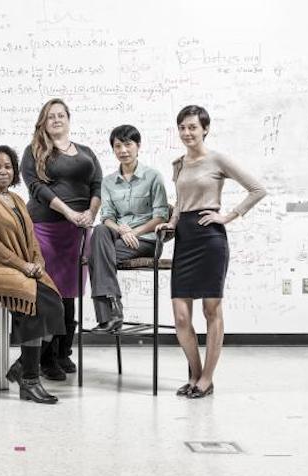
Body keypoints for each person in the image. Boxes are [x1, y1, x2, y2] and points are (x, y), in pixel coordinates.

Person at [156, 105, 267, 399]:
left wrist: (228, 216)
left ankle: (207, 378)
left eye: (193, 127)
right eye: (182, 127)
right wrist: (171, 222)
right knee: (181, 316)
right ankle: (193, 372)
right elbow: (180, 202)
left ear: (205, 128)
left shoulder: (217, 159)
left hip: (210, 239)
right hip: (184, 238)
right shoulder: (178, 164)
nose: (187, 133)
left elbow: (257, 189)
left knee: (211, 309)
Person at [0, 145, 64, 404]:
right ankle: (30, 380)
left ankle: (22, 367)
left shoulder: (19, 199)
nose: (3, 171)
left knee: (54, 305)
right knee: (32, 306)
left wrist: (37, 262)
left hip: (23, 265)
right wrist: (23, 266)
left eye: (8, 166)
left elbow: (31, 238)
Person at [20, 98, 102, 381]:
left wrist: (90, 213)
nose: (56, 120)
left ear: (68, 118)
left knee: (71, 291)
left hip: (78, 229)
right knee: (50, 292)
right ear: (43, 121)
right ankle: (46, 357)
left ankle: (63, 352)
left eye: (60, 115)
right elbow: (35, 188)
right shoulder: (33, 152)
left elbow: (97, 186)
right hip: (46, 226)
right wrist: (68, 212)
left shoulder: (87, 152)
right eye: (50, 116)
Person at [89, 125, 169, 331]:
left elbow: (161, 216)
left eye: (128, 144)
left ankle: (109, 315)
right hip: (118, 237)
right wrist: (123, 230)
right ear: (113, 149)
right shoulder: (107, 182)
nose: (123, 150)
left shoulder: (153, 177)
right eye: (117, 146)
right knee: (99, 230)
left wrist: (135, 232)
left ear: (138, 146)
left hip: (146, 240)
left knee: (96, 256)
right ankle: (113, 310)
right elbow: (107, 217)